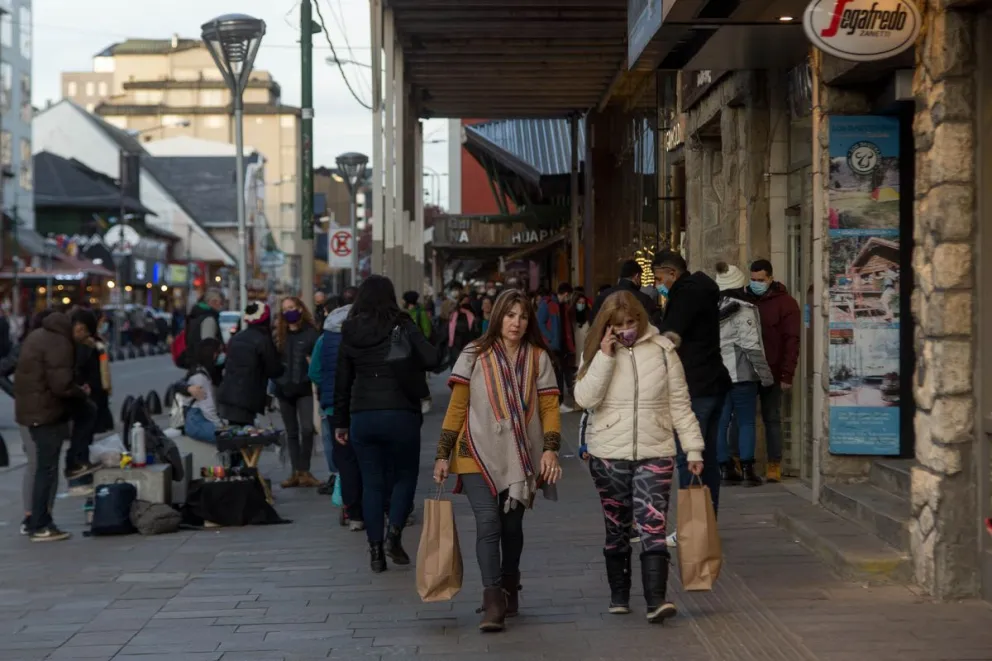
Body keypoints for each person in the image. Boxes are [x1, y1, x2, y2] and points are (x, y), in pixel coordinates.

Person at [433, 289, 562, 633]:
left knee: (511, 527)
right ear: (497, 317)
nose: (516, 323)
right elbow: (458, 406)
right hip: (474, 449)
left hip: (521, 455)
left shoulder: (538, 358)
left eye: (522, 316)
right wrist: (442, 453)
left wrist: (550, 448)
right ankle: (493, 601)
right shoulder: (474, 354)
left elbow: (549, 406)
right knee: (488, 522)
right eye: (509, 315)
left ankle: (509, 586)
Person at [573, 290, 704, 622]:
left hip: (655, 449)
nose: (626, 329)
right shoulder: (595, 352)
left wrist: (693, 447)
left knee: (653, 524)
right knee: (617, 527)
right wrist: (604, 356)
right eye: (619, 324)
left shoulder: (663, 352)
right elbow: (585, 399)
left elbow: (680, 403)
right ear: (607, 325)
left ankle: (655, 600)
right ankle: (619, 595)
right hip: (608, 453)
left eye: (631, 322)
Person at [334, 276, 438, 572]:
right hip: (401, 411)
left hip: (363, 415)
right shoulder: (402, 324)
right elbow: (431, 357)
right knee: (405, 476)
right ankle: (394, 534)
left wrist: (340, 422)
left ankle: (376, 551)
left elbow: (342, 381)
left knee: (372, 483)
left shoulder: (350, 330)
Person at [652, 250, 731, 534]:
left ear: (671, 273)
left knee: (691, 457)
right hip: (714, 382)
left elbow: (671, 337)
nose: (660, 284)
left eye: (660, 278)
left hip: (695, 387)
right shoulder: (704, 290)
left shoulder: (685, 295)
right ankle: (707, 523)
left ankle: (692, 528)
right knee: (706, 459)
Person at [15, 310, 93, 541]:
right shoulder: (60, 342)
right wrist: (80, 392)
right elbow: (61, 385)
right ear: (78, 328)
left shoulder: (41, 334)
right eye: (84, 333)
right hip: (44, 412)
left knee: (44, 467)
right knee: (45, 469)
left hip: (38, 409)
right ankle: (40, 524)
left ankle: (38, 521)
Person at [714, 262, 774, 487]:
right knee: (747, 421)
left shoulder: (714, 308)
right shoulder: (743, 309)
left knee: (721, 422)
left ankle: (724, 467)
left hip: (720, 374)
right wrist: (766, 375)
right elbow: (751, 346)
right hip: (742, 375)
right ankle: (748, 469)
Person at [744, 258, 800, 483]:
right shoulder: (743, 299)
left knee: (772, 418)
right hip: (746, 370)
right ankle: (738, 461)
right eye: (753, 279)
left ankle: (774, 464)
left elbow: (792, 340)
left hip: (773, 369)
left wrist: (787, 373)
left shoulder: (785, 304)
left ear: (770, 278)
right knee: (742, 418)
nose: (756, 283)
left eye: (761, 279)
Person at [311, 300, 364, 529]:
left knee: (346, 460)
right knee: (369, 458)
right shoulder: (368, 335)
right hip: (365, 406)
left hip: (335, 408)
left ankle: (353, 514)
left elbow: (314, 372)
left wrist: (328, 389)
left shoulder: (325, 340)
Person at [273, 296, 321, 488]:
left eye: (292, 307)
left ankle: (304, 469)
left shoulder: (311, 334)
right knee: (291, 432)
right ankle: (295, 472)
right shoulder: (279, 335)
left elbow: (319, 358)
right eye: (285, 309)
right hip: (283, 389)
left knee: (307, 429)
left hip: (303, 388)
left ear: (300, 309)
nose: (289, 312)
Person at [217, 302, 283, 426]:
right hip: (248, 395)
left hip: (229, 392)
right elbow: (273, 369)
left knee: (235, 432)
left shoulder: (236, 338)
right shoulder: (263, 340)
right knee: (246, 437)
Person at [184, 337, 225, 443]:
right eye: (218, 352)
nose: (220, 355)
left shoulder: (199, 371)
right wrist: (220, 426)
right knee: (228, 439)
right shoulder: (201, 378)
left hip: (197, 419)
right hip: (198, 421)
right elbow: (208, 408)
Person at [591, 260, 659, 323]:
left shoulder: (603, 296)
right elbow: (652, 324)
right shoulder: (644, 299)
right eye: (640, 277)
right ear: (637, 276)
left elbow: (594, 323)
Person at [183, 290, 224, 367]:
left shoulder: (196, 315)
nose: (219, 305)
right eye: (215, 301)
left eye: (220, 302)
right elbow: (208, 344)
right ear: (209, 302)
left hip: (194, 361)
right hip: (206, 365)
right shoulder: (209, 318)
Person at [447, 294, 480, 367]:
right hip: (456, 342)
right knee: (456, 363)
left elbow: (475, 330)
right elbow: (450, 328)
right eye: (464, 301)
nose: (466, 303)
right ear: (460, 302)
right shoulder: (454, 313)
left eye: (467, 301)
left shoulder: (472, 313)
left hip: (468, 341)